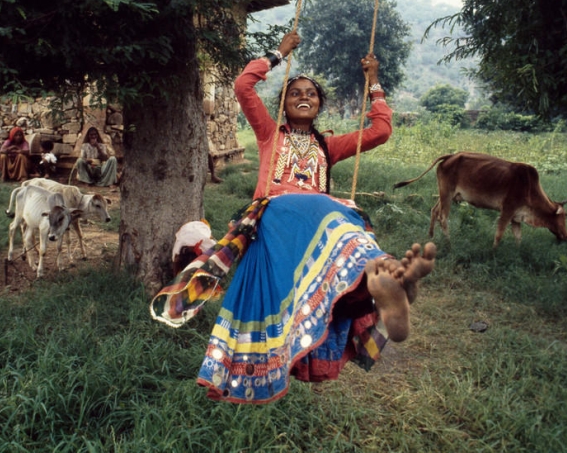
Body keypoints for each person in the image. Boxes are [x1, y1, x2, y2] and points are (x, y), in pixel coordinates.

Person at [150, 31, 436, 404]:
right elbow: (243, 86)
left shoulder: (328, 146)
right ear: (283, 105)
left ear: (320, 106)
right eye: (295, 93)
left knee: (340, 213)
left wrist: (374, 82)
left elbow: (380, 131)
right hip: (277, 217)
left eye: (311, 94)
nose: (304, 97)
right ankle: (383, 271)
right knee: (336, 209)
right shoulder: (270, 134)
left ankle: (388, 281)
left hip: (315, 224)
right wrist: (277, 55)